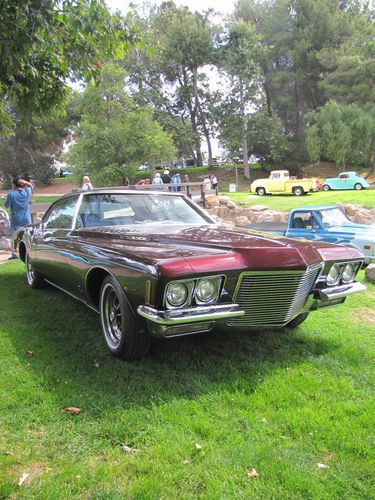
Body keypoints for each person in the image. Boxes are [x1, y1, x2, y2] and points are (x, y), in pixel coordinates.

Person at [2, 177, 33, 259]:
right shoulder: (26, 192)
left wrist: (4, 200)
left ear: (14, 184)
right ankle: (29, 252)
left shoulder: (11, 194)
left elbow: (6, 205)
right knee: (27, 235)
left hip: (16, 218)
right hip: (26, 218)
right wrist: (25, 182)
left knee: (15, 236)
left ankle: (15, 254)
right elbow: (31, 186)